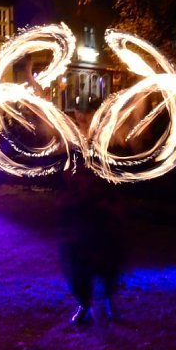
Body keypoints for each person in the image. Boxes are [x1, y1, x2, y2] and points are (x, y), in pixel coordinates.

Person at [57, 109, 127, 326]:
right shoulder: (73, 152)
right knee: (79, 266)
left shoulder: (104, 150)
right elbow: (67, 177)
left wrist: (111, 207)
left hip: (102, 216)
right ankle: (84, 304)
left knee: (107, 263)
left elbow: (112, 180)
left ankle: (109, 302)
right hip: (81, 217)